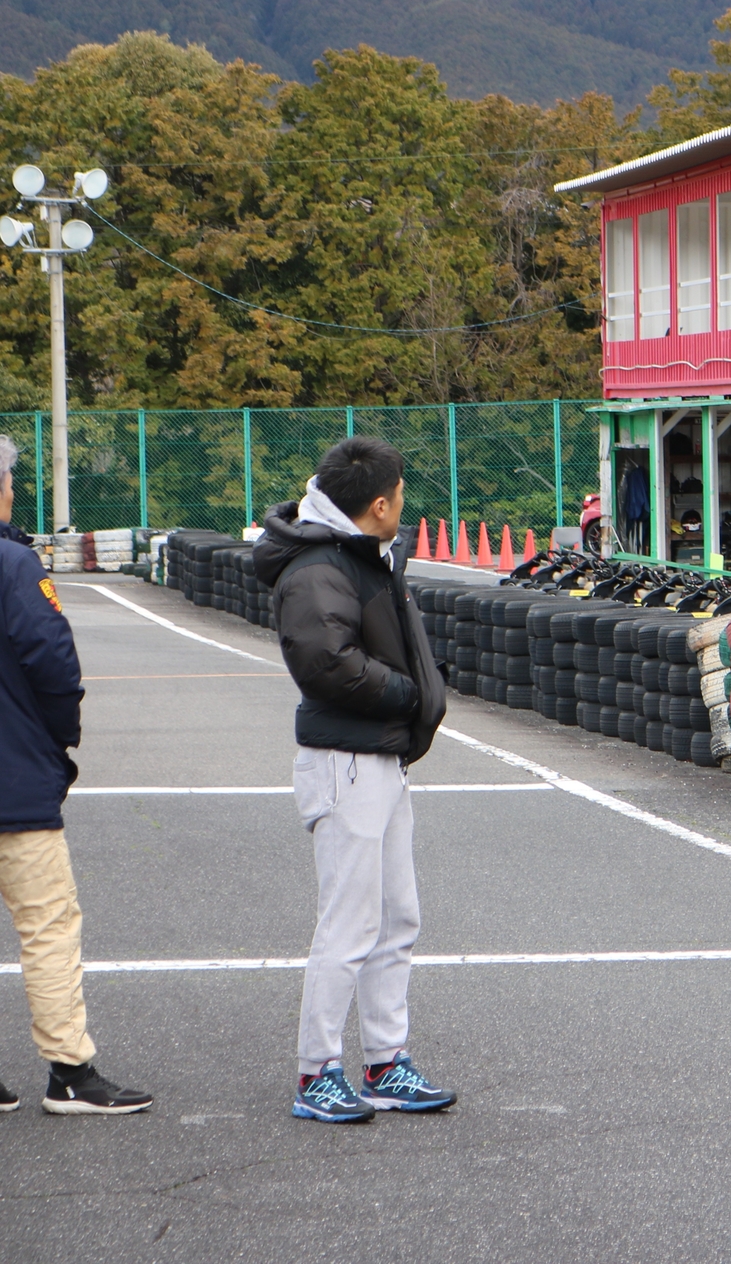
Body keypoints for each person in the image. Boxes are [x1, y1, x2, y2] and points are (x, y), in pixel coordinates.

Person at [255, 437, 455, 1124]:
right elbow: (326, 663)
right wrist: (407, 694)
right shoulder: (318, 567)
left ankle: (385, 1062)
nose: (404, 505)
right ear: (378, 504)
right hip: (346, 760)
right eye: (400, 495)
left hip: (381, 756)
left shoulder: (360, 554)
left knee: (397, 918)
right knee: (349, 924)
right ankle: (317, 1072)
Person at [0, 437, 154, 1117]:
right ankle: (68, 1072)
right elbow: (54, 665)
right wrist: (59, 742)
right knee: (47, 924)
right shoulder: (14, 565)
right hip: (15, 781)